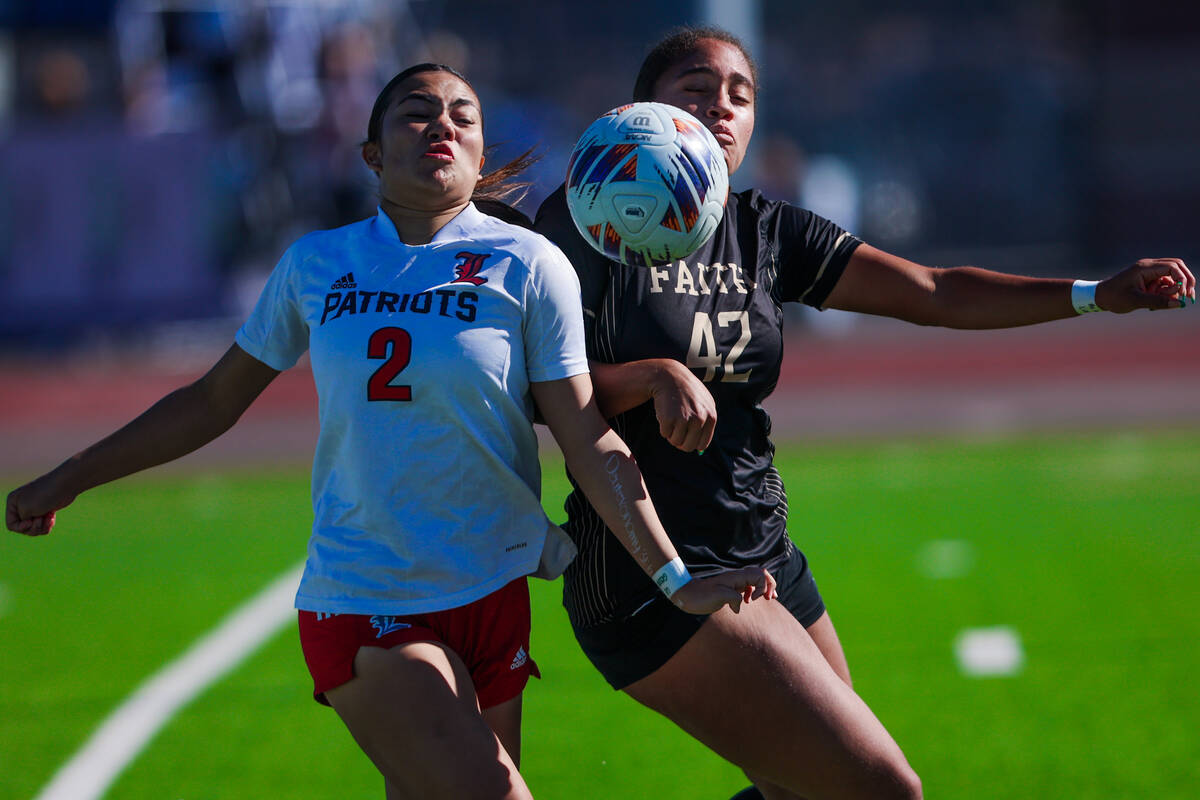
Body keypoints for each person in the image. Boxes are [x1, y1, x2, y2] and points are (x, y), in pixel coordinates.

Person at [6, 62, 772, 800]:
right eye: (417, 111)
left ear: (479, 154)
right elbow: (211, 402)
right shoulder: (317, 263)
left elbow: (586, 435)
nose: (441, 123)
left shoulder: (532, 265)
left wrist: (674, 577)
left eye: (462, 116)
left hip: (493, 593)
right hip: (367, 597)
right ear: (372, 154)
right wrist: (70, 475)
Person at [533, 26, 1195, 800]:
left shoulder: (766, 230)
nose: (722, 108)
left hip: (762, 550)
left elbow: (933, 292)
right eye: (696, 91)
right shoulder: (584, 223)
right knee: (883, 789)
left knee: (811, 793)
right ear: (643, 112)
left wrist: (1092, 296)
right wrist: (650, 376)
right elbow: (542, 396)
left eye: (740, 96)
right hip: (648, 565)